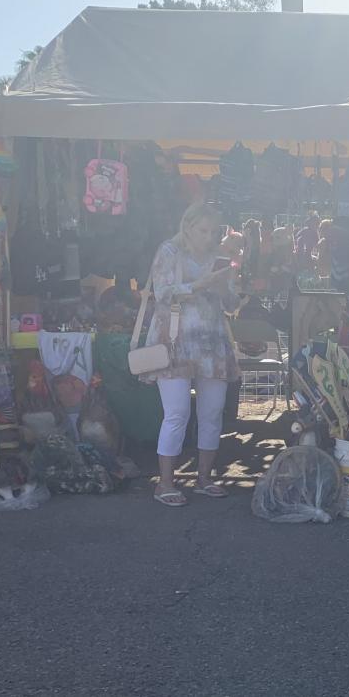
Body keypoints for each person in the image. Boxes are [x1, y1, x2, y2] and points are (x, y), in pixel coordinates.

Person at [143, 202, 241, 507]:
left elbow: (231, 304)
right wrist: (200, 284)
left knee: (212, 412)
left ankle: (204, 478)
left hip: (212, 342)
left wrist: (224, 288)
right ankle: (165, 483)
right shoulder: (170, 251)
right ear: (187, 227)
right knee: (177, 413)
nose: (209, 237)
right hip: (175, 342)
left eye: (214, 232)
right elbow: (163, 293)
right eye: (203, 230)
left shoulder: (219, 257)